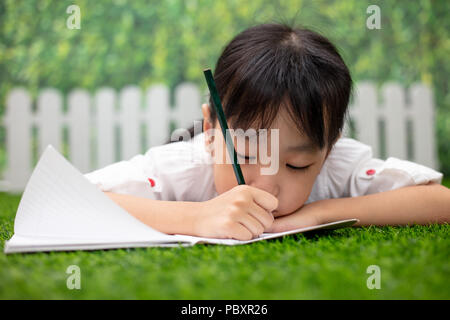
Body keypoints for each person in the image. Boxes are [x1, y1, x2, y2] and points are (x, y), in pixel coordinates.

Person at [84, 23, 449, 241]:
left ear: (328, 149)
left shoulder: (340, 165)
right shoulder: (181, 166)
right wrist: (196, 218)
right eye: (244, 155)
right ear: (211, 129)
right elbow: (77, 200)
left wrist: (324, 212)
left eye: (298, 165)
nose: (266, 187)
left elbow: (441, 202)